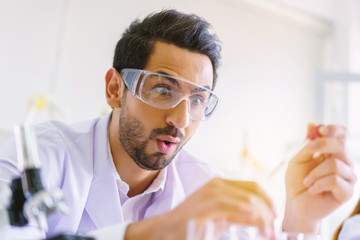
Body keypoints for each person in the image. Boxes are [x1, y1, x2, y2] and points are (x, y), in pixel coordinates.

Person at [0, 9, 356, 240]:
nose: (180, 120)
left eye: (198, 99)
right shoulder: (34, 156)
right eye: (162, 89)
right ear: (114, 88)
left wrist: (302, 220)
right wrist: (153, 232)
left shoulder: (206, 189)